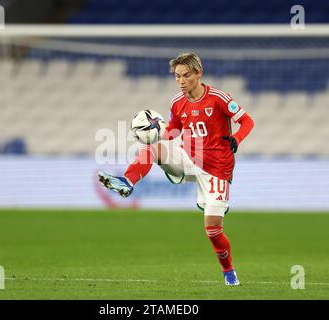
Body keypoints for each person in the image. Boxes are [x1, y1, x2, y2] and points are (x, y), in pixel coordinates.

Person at [98, 52, 254, 286]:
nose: (181, 81)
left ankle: (229, 272)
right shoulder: (176, 102)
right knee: (154, 149)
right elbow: (174, 130)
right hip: (189, 158)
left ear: (199, 74)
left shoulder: (219, 98)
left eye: (186, 75)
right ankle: (128, 182)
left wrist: (237, 138)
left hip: (217, 169)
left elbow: (248, 121)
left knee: (212, 230)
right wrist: (154, 132)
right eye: (177, 76)